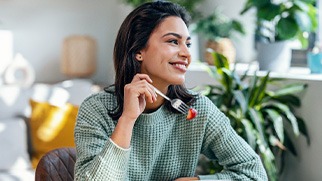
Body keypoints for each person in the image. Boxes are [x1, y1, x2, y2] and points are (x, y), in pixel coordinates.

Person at [74, 1, 268, 180]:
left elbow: (254, 172)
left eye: (188, 44)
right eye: (173, 41)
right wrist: (127, 119)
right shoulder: (96, 109)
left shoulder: (197, 110)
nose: (186, 53)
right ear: (138, 51)